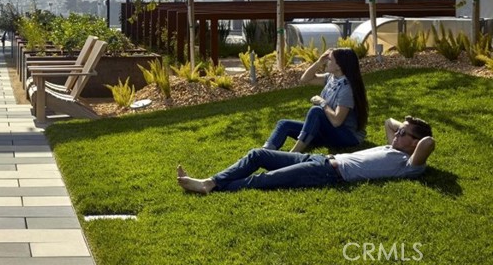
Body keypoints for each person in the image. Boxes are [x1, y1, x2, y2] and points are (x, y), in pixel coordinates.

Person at [177, 116, 435, 193]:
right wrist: (405, 125)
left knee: (264, 180)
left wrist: (414, 133)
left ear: (414, 143)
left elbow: (428, 142)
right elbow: (389, 123)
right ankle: (211, 182)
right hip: (318, 159)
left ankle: (208, 186)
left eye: (404, 134)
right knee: (258, 154)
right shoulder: (393, 146)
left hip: (327, 173)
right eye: (400, 132)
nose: (397, 134)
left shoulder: (408, 164)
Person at [264, 48, 369, 153]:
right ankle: (265, 152)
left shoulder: (347, 88)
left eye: (330, 60)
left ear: (339, 66)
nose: (326, 62)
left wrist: (322, 103)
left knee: (316, 111)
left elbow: (337, 121)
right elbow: (305, 79)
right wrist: (319, 62)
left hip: (348, 136)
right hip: (328, 131)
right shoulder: (332, 78)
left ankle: (294, 153)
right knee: (284, 124)